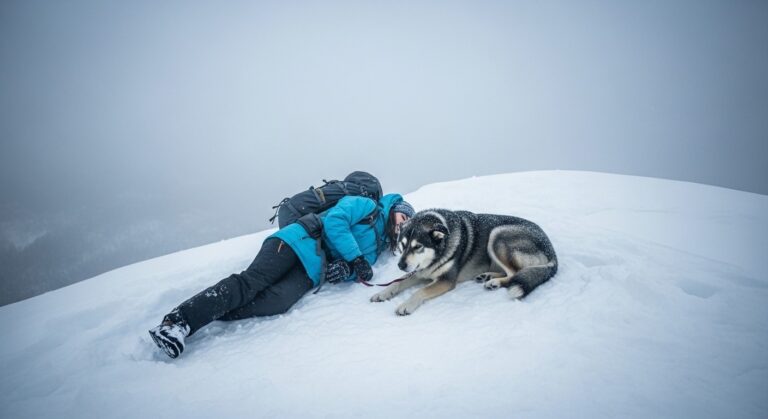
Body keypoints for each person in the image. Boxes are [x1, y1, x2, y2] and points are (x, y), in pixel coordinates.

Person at [149, 193, 415, 359]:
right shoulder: (367, 205)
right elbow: (335, 220)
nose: (403, 223)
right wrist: (355, 258)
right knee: (251, 283)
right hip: (295, 240)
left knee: (278, 301)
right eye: (404, 216)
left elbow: (357, 266)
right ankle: (177, 322)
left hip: (312, 268)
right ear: (395, 208)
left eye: (407, 224)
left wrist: (347, 270)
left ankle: (214, 310)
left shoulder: (379, 246)